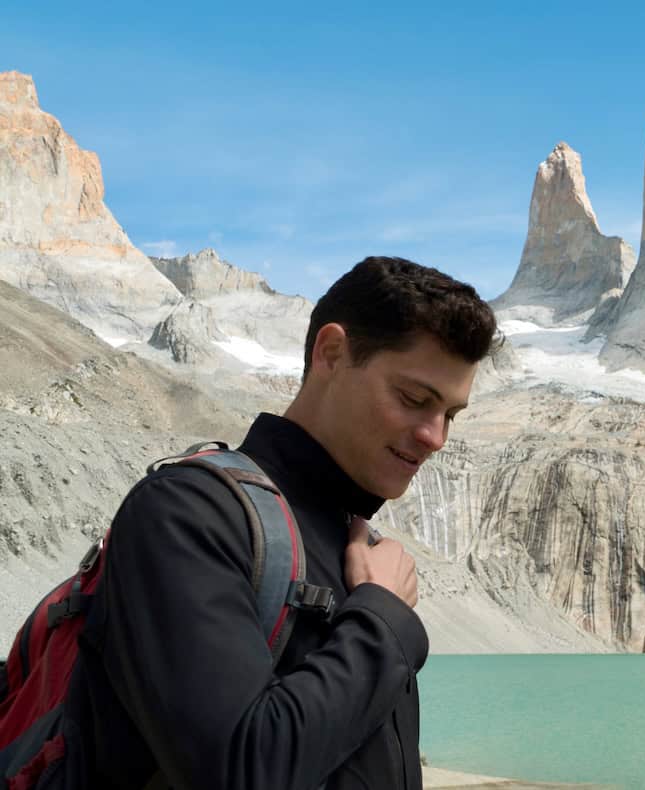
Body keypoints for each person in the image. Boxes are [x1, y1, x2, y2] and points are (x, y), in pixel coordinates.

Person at [63, 256, 496, 789]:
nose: (436, 437)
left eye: (450, 415)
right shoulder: (184, 513)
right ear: (332, 353)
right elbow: (240, 769)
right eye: (414, 399)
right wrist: (381, 622)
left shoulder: (351, 539)